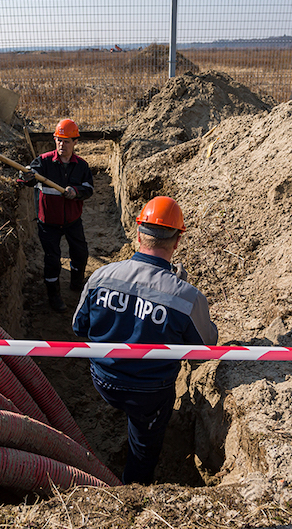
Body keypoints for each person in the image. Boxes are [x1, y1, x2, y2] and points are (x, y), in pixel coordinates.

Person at [72, 195, 218, 485]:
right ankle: (135, 487)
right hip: (150, 392)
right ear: (177, 242)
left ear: (138, 235)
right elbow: (204, 351)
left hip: (102, 379)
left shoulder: (101, 276)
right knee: (144, 449)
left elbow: (79, 327)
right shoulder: (187, 298)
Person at [18, 119, 94, 312]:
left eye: (66, 141)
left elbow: (89, 189)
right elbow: (28, 177)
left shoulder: (82, 166)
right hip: (48, 223)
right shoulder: (44, 162)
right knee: (52, 259)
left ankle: (76, 285)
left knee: (80, 254)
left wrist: (76, 192)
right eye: (59, 140)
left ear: (75, 142)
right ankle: (54, 296)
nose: (62, 144)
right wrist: (25, 176)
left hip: (72, 221)